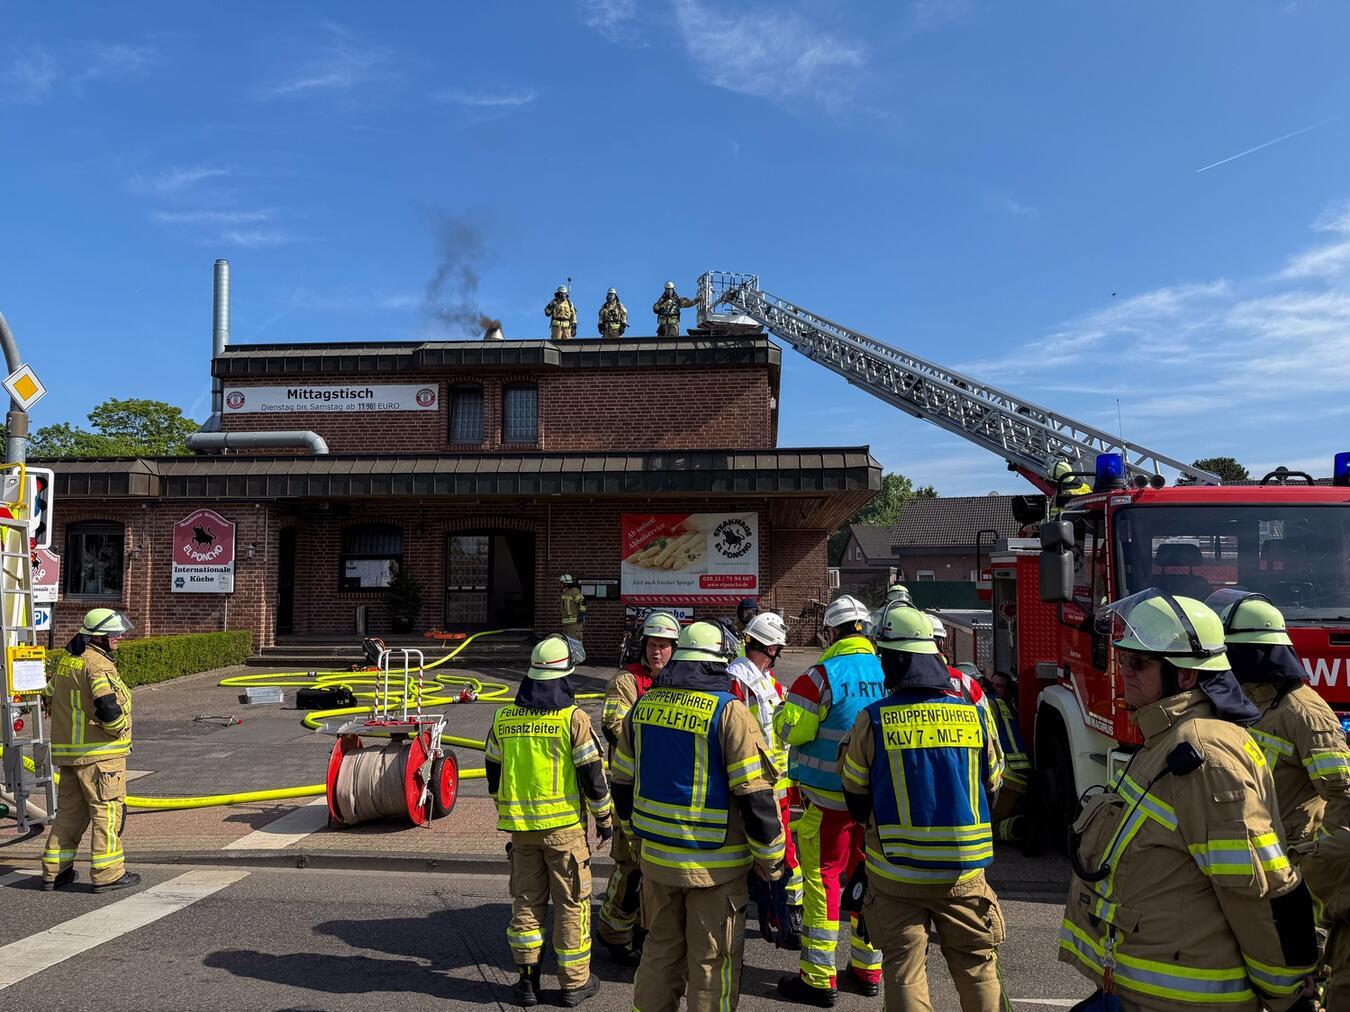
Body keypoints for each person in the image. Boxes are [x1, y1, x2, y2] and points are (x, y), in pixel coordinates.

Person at [1061, 590, 1318, 1011]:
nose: (1124, 670)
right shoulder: (1167, 738)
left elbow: (1255, 888)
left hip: (1179, 998)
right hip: (1139, 989)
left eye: (1139, 663)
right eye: (1123, 658)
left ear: (1184, 676)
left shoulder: (1204, 753)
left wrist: (1287, 992)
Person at [610, 621, 786, 1012]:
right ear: (717, 664)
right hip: (715, 869)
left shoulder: (643, 707)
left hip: (657, 862)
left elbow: (620, 782)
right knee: (711, 965)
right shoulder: (730, 713)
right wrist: (772, 862)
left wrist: (637, 837)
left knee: (658, 953)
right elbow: (756, 799)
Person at [841, 603, 1009, 1011]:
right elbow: (994, 784)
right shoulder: (972, 715)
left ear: (894, 661)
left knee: (903, 969)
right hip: (963, 871)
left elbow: (855, 792)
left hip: (896, 872)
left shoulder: (873, 720)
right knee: (977, 967)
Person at [1206, 590, 1350, 1009]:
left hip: (1293, 868)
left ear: (1252, 653)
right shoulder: (1246, 703)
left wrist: (1319, 856)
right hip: (1252, 857)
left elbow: (1342, 794)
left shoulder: (1305, 713)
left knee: (1303, 971)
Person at [485, 635, 612, 1007]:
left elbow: (494, 773)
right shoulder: (572, 719)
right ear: (564, 677)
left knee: (526, 903)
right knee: (572, 904)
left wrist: (506, 809)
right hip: (564, 834)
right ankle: (574, 984)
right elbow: (592, 776)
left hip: (521, 832)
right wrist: (604, 819)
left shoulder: (503, 717)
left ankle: (527, 983)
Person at [774, 594, 885, 1004]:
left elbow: (792, 730)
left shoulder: (820, 676)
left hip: (830, 803)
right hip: (874, 805)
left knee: (823, 882)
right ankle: (867, 969)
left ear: (833, 631)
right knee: (867, 880)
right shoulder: (887, 669)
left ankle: (818, 978)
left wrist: (781, 713)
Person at [596, 611, 680, 964]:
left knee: (657, 867)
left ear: (675, 648)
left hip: (663, 789)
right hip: (630, 787)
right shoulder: (626, 681)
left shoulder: (681, 680)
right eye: (651, 644)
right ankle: (613, 933)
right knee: (630, 866)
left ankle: (644, 930)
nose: (656, 652)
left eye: (663, 646)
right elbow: (613, 724)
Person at [41, 608, 140, 893]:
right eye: (114, 634)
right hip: (100, 754)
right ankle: (108, 874)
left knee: (69, 814)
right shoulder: (98, 665)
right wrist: (118, 729)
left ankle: (54, 872)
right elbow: (108, 707)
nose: (119, 637)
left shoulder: (67, 661)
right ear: (100, 637)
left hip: (70, 756)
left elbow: (48, 694)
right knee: (107, 813)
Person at [727, 611, 804, 949]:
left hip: (778, 784)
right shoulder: (738, 679)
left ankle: (783, 914)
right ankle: (771, 911)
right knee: (759, 849)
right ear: (772, 647)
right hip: (754, 782)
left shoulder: (768, 681)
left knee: (782, 850)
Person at [986, 673, 1032, 849]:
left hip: (1007, 776)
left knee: (987, 829)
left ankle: (1018, 828)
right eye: (994, 685)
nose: (997, 689)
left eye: (1001, 686)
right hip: (1020, 774)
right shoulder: (1010, 707)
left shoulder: (988, 704)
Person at [559, 574, 586, 645]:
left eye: (561, 583)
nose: (560, 584)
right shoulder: (565, 592)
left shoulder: (574, 591)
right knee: (567, 644)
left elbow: (582, 602)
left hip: (574, 623)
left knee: (575, 644)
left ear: (565, 583)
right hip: (567, 624)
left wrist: (581, 614)